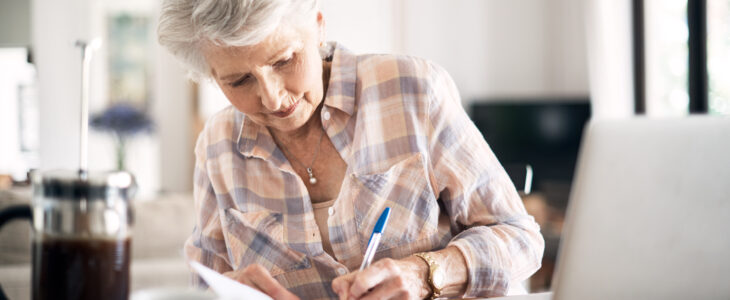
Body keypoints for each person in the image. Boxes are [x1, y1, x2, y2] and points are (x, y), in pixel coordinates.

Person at [157, 0, 544, 299]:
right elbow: (203, 286)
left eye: (284, 60)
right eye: (239, 80)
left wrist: (427, 274)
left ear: (318, 26)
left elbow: (522, 239)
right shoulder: (218, 147)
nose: (273, 98)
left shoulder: (413, 90)